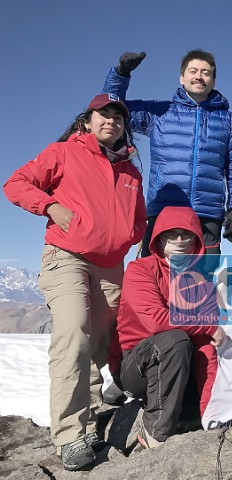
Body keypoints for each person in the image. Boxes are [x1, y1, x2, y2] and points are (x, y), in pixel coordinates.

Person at [3, 94, 146, 471]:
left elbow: (139, 220)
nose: (112, 121)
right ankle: (69, 434)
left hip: (111, 265)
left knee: (101, 343)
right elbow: (16, 183)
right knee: (72, 334)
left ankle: (95, 418)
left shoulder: (131, 171)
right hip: (66, 257)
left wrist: (127, 235)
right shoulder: (64, 152)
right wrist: (50, 206)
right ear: (87, 121)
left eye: (118, 117)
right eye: (104, 114)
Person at [103, 50, 232, 256]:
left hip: (207, 215)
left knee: (202, 283)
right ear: (182, 78)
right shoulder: (160, 113)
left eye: (206, 73)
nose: (199, 76)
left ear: (213, 81)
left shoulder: (229, 121)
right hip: (164, 210)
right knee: (155, 280)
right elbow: (111, 107)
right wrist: (121, 74)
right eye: (193, 71)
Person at [113, 205, 226, 449]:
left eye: (186, 234)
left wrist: (209, 412)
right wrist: (206, 327)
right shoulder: (140, 270)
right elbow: (156, 320)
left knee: (198, 346)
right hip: (138, 367)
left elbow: (206, 346)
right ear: (158, 239)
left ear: (197, 239)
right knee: (174, 339)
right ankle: (154, 431)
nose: (179, 240)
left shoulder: (201, 282)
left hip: (179, 367)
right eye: (170, 234)